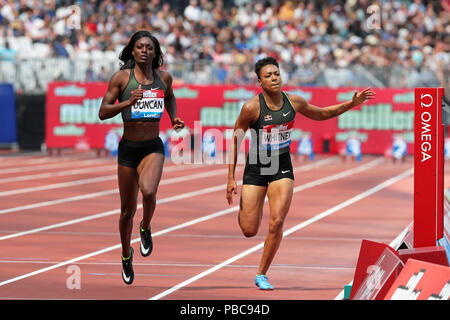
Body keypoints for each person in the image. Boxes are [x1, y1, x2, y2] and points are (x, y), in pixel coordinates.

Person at [226, 56, 375, 290]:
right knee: (249, 230)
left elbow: (324, 114)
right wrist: (230, 179)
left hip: (282, 167)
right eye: (268, 75)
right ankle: (246, 207)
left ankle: (261, 274)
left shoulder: (294, 101)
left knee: (276, 222)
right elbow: (235, 139)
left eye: (276, 73)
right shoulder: (251, 108)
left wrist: (351, 103)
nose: (274, 78)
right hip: (256, 167)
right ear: (259, 82)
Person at [98, 30, 184, 285]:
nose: (144, 51)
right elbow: (103, 112)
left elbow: (170, 98)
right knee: (126, 211)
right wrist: (127, 103)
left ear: (155, 52)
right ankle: (126, 254)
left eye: (149, 47)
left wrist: (174, 117)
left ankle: (145, 226)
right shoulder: (121, 79)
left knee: (148, 191)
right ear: (132, 52)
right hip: (128, 149)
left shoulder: (164, 78)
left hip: (152, 147)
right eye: (140, 47)